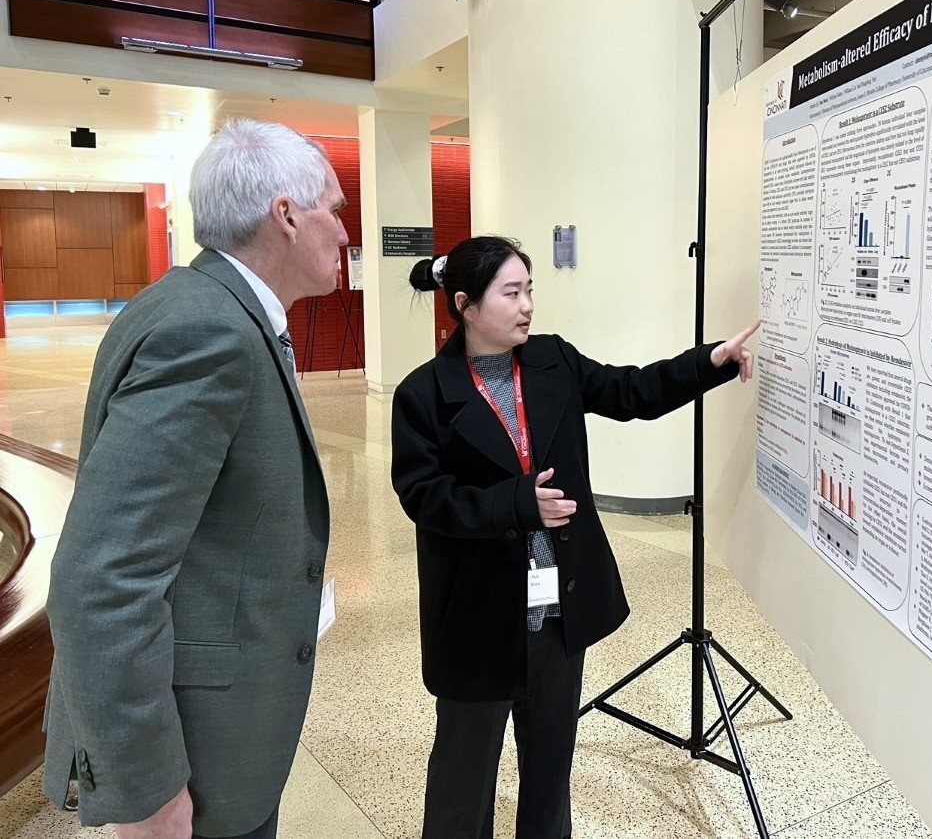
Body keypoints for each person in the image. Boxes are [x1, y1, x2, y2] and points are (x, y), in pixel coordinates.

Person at [391, 235, 759, 839]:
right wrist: (517, 503)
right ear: (465, 304)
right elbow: (424, 497)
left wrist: (708, 362)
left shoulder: (552, 361)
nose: (527, 305)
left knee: (549, 773)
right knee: (464, 779)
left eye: (530, 289)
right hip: (478, 617)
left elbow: (628, 391)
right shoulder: (423, 394)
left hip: (557, 614)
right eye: (511, 293)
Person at [42, 119, 347, 839]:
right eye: (333, 209)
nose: (343, 231)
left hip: (219, 729)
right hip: (195, 754)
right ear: (286, 215)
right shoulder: (208, 331)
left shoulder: (207, 306)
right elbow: (101, 577)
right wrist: (147, 790)